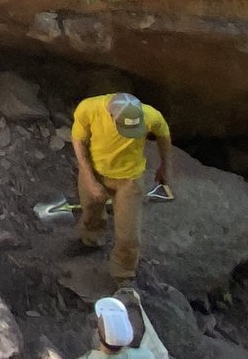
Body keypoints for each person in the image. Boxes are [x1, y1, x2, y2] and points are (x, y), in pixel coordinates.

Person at [69, 90, 173, 282]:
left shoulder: (150, 115)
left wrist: (165, 166)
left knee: (129, 235)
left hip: (129, 180)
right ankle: (90, 240)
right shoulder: (89, 109)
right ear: (111, 116)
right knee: (90, 211)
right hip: (96, 172)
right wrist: (90, 181)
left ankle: (123, 274)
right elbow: (78, 141)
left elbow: (163, 134)